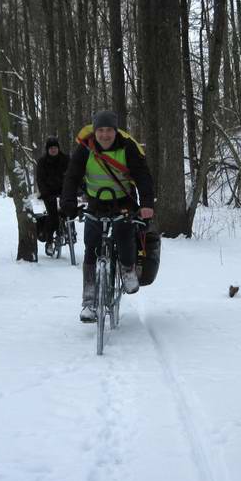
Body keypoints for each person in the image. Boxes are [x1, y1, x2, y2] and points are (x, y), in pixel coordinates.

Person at [60, 110, 154, 323]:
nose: (105, 135)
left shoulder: (127, 147)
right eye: (100, 130)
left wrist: (147, 204)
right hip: (96, 202)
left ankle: (128, 269)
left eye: (109, 130)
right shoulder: (85, 149)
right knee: (91, 246)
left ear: (115, 130)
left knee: (124, 233)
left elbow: (142, 175)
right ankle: (89, 301)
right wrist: (68, 203)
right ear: (95, 132)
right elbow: (72, 176)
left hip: (123, 201)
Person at [35, 136, 69, 257]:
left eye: (55, 148)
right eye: (51, 148)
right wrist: (44, 193)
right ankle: (49, 242)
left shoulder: (66, 159)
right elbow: (40, 179)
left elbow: (72, 174)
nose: (53, 150)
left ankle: (68, 231)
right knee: (53, 216)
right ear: (47, 150)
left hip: (64, 190)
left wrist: (75, 188)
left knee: (68, 211)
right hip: (48, 192)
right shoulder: (42, 162)